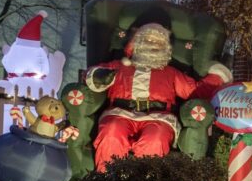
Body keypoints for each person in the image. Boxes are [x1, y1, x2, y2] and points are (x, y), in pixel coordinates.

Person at [86, 22, 231, 171]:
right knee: (111, 133)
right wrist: (99, 76)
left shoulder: (171, 73)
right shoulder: (119, 66)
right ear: (138, 43)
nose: (153, 45)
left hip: (158, 117)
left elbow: (195, 91)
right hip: (119, 113)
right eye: (149, 40)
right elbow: (93, 75)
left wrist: (217, 76)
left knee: (155, 139)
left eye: (158, 42)